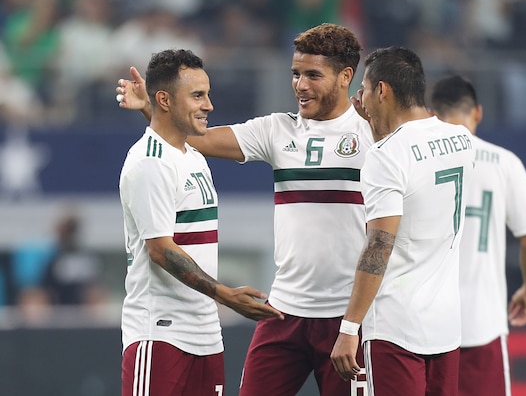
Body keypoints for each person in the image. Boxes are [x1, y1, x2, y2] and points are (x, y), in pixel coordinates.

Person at [116, 24, 371, 395]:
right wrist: (154, 109)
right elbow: (190, 136)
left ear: (346, 76)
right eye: (295, 74)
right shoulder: (277, 130)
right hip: (283, 312)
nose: (300, 85)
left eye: (313, 75)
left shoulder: (374, 135)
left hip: (346, 317)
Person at [118, 49, 283, 396]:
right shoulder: (148, 163)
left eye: (207, 94)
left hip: (206, 336)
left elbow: (167, 129)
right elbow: (162, 251)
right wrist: (225, 295)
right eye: (197, 95)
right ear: (164, 99)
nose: (208, 105)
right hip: (160, 334)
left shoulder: (192, 156)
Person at [330, 46, 475, 395]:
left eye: (363, 89)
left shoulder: (385, 156)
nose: (358, 99)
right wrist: (379, 132)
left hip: (396, 329)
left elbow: (380, 244)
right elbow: (415, 168)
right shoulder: (462, 139)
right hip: (446, 326)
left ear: (382, 90)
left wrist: (349, 328)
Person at [430, 75, 526, 396]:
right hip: (482, 323)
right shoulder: (503, 162)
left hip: (425, 326)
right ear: (478, 112)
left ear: (431, 113)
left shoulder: (418, 159)